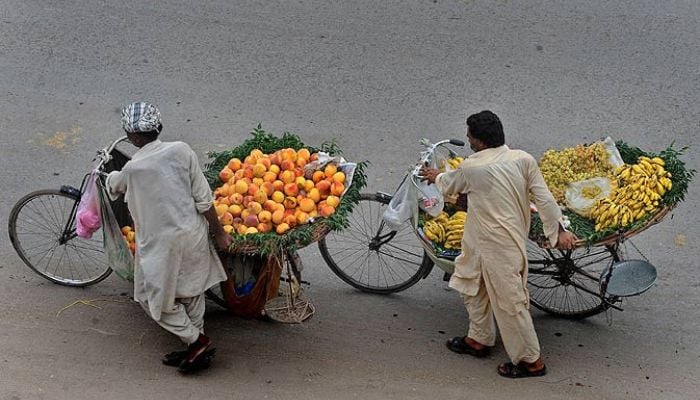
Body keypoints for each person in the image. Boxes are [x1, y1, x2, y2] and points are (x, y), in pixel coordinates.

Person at [419, 110, 577, 378]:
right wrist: (558, 230)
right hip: (481, 239)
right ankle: (478, 339)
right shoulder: (522, 159)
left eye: (469, 136)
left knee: (509, 302)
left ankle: (531, 361)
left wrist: (434, 176)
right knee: (472, 284)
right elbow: (544, 198)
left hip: (499, 244)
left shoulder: (473, 166)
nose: (467, 140)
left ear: (479, 141)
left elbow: (450, 183)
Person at [106, 102, 232, 373]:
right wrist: (219, 233)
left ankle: (196, 340)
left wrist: (109, 178)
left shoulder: (134, 168)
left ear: (132, 137)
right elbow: (205, 201)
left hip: (162, 245)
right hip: (193, 234)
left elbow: (115, 185)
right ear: (159, 128)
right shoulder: (182, 151)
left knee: (151, 298)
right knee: (192, 292)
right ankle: (197, 352)